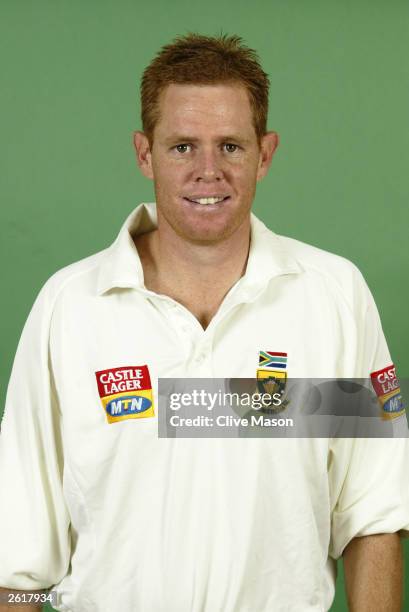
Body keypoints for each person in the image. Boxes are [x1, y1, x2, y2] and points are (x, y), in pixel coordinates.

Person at [0, 32, 408, 612]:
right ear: (145, 153)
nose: (208, 171)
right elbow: (17, 550)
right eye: (183, 146)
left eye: (231, 147)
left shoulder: (334, 296)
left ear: (265, 153)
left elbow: (375, 512)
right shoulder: (70, 308)